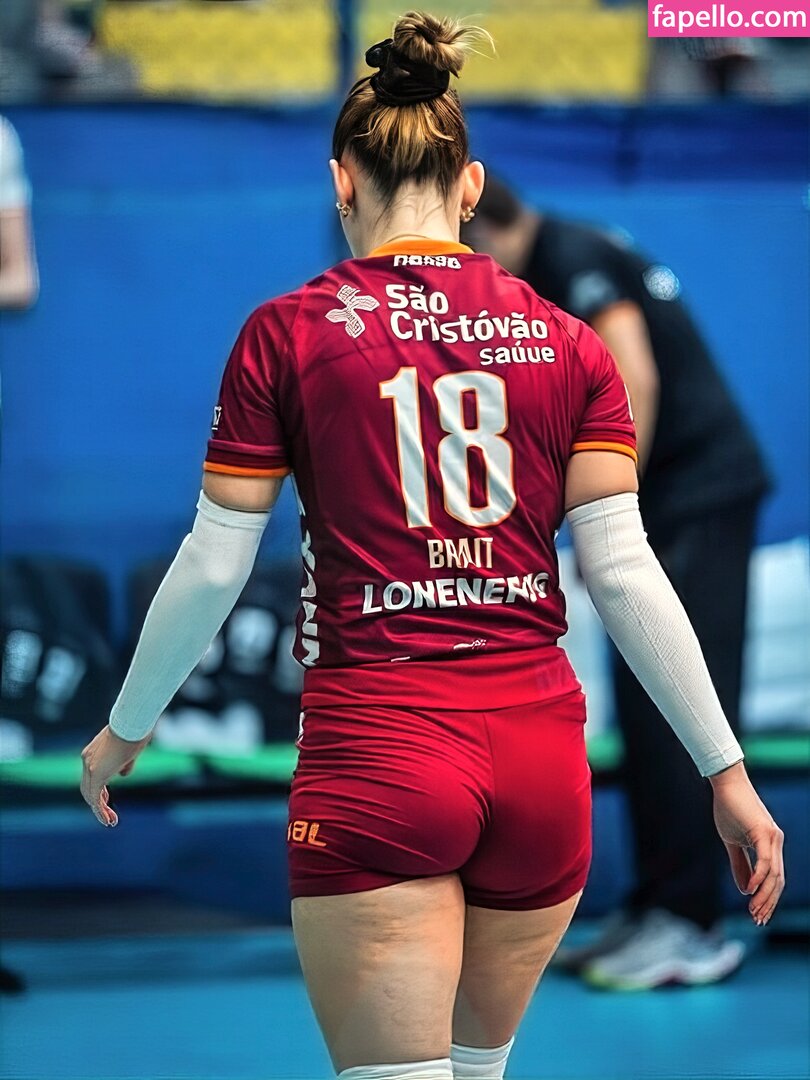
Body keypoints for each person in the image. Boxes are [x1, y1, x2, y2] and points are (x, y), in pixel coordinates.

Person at [80, 12, 784, 1079]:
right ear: (469, 186)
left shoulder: (288, 333)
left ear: (341, 183)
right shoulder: (569, 341)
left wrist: (125, 728)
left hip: (381, 753)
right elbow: (623, 571)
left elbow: (216, 564)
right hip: (540, 764)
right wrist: (724, 772)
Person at [464, 178, 773, 989]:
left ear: (483, 228)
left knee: (683, 706)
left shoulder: (569, 255)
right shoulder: (561, 259)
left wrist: (602, 508)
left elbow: (636, 377)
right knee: (643, 707)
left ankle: (694, 924)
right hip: (667, 502)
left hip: (697, 499)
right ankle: (657, 903)